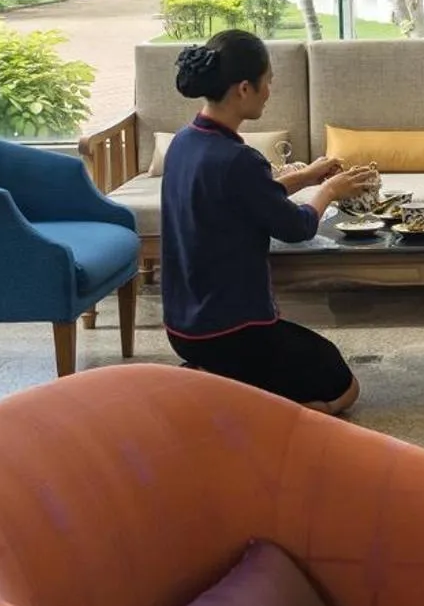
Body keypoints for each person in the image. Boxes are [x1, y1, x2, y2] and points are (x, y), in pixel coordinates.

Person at [161, 29, 376, 414]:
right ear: (244, 88)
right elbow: (296, 228)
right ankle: (253, 414)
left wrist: (307, 176)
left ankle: (218, 380)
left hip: (184, 329)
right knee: (345, 388)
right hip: (232, 332)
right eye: (268, 82)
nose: (270, 91)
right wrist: (330, 191)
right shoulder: (237, 159)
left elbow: (245, 195)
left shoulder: (184, 142)